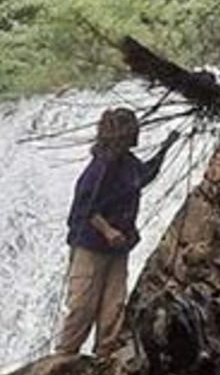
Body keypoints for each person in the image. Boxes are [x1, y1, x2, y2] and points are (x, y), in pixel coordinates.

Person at [55, 107, 176, 357]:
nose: (136, 134)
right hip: (91, 247)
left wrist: (166, 148)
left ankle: (104, 356)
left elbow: (144, 176)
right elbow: (85, 207)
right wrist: (108, 230)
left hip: (118, 248)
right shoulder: (101, 166)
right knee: (82, 306)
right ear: (122, 133)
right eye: (132, 129)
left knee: (114, 306)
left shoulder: (127, 163)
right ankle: (64, 357)